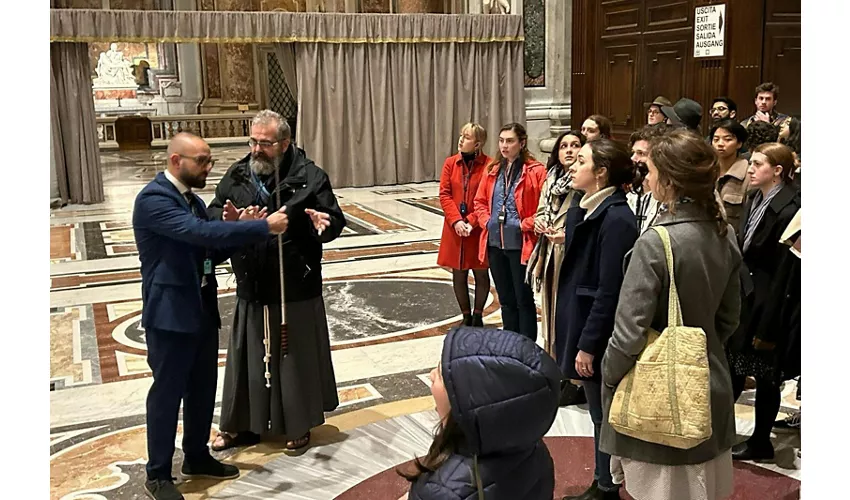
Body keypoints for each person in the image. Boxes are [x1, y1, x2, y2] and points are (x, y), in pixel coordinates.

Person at [133, 133, 290, 500]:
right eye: (201, 161)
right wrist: (259, 227)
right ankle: (157, 474)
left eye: (209, 161)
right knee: (167, 395)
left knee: (202, 390)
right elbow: (197, 232)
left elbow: (208, 251)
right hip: (170, 315)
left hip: (201, 310)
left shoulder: (193, 201)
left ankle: (197, 456)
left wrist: (240, 228)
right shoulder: (154, 200)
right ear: (176, 161)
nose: (208, 168)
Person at [600, 128, 742, 500]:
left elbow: (629, 333)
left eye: (650, 170)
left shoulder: (655, 243)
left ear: (670, 180)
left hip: (658, 397)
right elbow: (729, 318)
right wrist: (697, 349)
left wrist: (609, 378)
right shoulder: (723, 233)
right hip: (710, 385)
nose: (644, 177)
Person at [206, 110, 346, 453]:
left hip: (293, 284)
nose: (256, 149)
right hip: (252, 282)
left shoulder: (310, 177)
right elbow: (212, 212)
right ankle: (243, 425)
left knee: (292, 357)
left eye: (265, 143)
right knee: (248, 358)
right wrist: (228, 221)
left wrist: (322, 224)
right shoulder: (238, 175)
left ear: (284, 143)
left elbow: (335, 220)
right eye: (252, 141)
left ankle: (298, 424)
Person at [555, 139, 638, 500]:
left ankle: (608, 486)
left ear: (601, 172)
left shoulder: (616, 218)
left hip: (600, 335)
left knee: (604, 416)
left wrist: (587, 346)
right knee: (597, 415)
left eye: (582, 160)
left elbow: (610, 290)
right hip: (586, 323)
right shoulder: (588, 207)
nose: (573, 163)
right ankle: (603, 481)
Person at [399, 326, 561, 499]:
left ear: (470, 406)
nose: (431, 375)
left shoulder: (442, 491)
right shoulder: (531, 446)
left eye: (441, 376)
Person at [727, 143, 801, 461]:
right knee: (735, 364)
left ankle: (761, 441)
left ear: (778, 171)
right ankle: (722, 430)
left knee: (765, 373)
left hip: (770, 300)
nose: (752, 169)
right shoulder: (756, 195)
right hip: (747, 294)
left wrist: (770, 321)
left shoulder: (790, 208)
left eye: (758, 164)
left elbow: (785, 272)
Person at [528, 130, 586, 406]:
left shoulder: (584, 182)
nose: (569, 150)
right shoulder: (551, 179)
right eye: (564, 146)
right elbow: (542, 209)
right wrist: (540, 221)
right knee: (550, 312)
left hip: (570, 253)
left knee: (568, 312)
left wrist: (568, 233)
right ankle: (556, 368)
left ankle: (575, 379)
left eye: (575, 145)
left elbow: (587, 220)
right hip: (550, 251)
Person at [473, 123, 546, 340]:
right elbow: (479, 202)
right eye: (501, 140)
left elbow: (545, 209)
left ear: (521, 143)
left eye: (510, 141)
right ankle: (510, 343)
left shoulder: (536, 171)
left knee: (523, 299)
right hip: (495, 243)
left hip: (520, 244)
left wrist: (523, 224)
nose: (504, 146)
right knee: (505, 298)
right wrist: (487, 222)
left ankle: (527, 346)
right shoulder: (493, 170)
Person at [437, 123, 493, 327]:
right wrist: (456, 221)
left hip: (477, 229)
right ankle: (466, 315)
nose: (460, 139)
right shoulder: (450, 163)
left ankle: (478, 315)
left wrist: (470, 221)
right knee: (458, 273)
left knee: (480, 271)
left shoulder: (489, 165)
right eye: (461, 135)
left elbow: (488, 198)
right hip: (455, 228)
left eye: (466, 137)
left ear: (477, 143)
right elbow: (444, 194)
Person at [627, 124, 669, 233]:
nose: (633, 158)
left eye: (641, 153)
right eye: (633, 153)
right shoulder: (631, 193)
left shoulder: (666, 196)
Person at [711, 119, 751, 235]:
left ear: (739, 143)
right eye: (716, 139)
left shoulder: (748, 174)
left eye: (728, 139)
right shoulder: (706, 171)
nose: (720, 144)